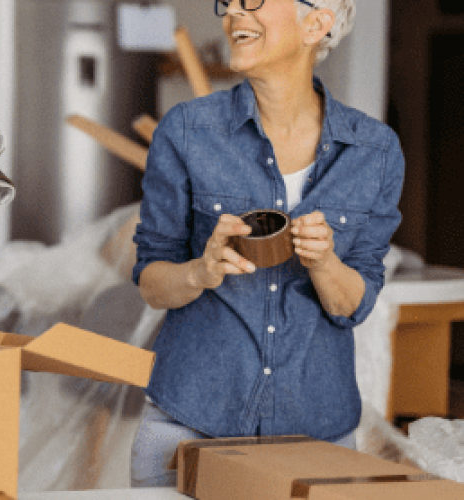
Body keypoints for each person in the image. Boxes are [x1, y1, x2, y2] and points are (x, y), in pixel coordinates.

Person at [130, 0, 403, 487]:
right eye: (228, 3)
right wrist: (201, 270)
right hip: (188, 428)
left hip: (317, 440)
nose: (233, 12)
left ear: (316, 23)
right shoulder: (188, 131)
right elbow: (152, 281)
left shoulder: (374, 151)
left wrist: (324, 263)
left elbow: (352, 305)